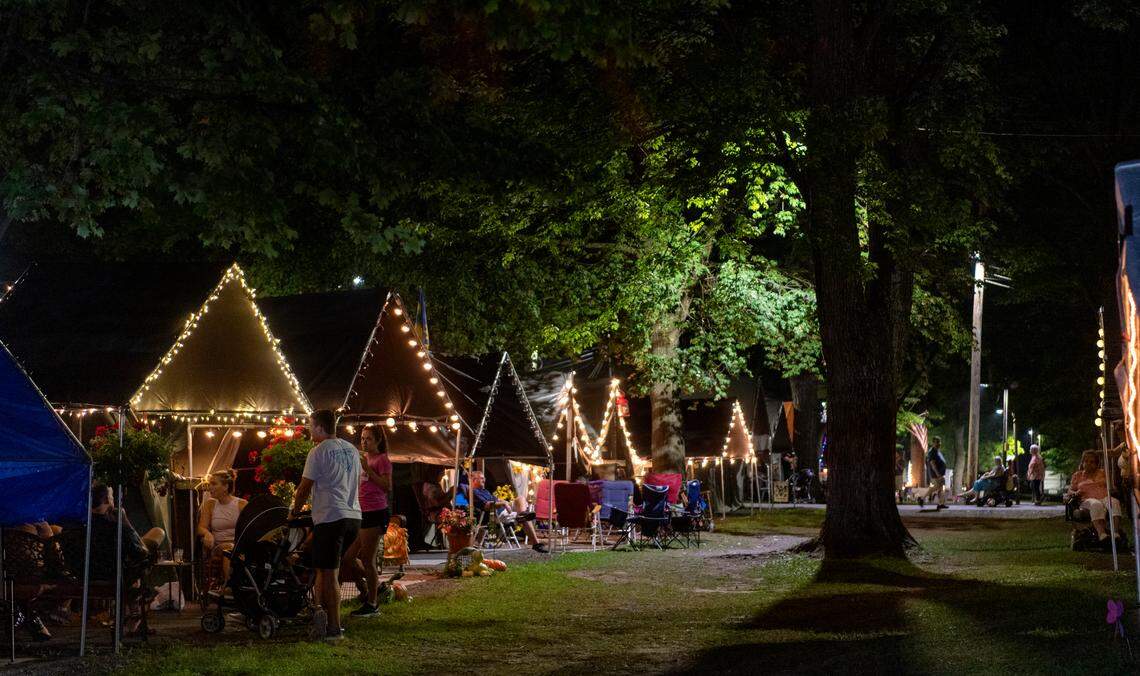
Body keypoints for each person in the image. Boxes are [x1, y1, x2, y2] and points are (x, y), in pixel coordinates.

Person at [291, 409, 361, 641]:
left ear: (320, 427)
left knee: (329, 574)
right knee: (324, 568)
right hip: (353, 516)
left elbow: (304, 487)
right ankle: (319, 617)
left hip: (331, 517)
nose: (310, 431)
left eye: (311, 426)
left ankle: (334, 628)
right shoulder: (351, 449)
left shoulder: (318, 451)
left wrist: (294, 511)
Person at [343, 425, 392, 618]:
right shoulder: (364, 459)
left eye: (368, 439)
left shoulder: (382, 460)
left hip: (375, 512)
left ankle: (372, 604)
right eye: (362, 438)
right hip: (360, 511)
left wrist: (368, 471)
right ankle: (371, 589)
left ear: (378, 441)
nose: (364, 442)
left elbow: (386, 486)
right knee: (347, 558)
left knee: (367, 559)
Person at [469, 471, 548, 553]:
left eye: (484, 478)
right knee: (524, 518)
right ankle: (536, 543)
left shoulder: (484, 491)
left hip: (504, 510)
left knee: (520, 498)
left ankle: (522, 515)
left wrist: (504, 501)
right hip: (496, 514)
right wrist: (504, 503)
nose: (484, 480)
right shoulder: (474, 492)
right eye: (481, 478)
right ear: (474, 480)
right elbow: (486, 506)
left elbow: (496, 500)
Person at [197, 470, 247, 585]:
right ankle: (229, 585)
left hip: (239, 547)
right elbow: (200, 528)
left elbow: (250, 528)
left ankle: (237, 586)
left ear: (225, 486)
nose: (210, 487)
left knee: (235, 549)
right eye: (209, 484)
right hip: (219, 547)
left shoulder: (241, 504)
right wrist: (207, 534)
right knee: (228, 548)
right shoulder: (210, 504)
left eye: (214, 484)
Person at [1065, 450, 1123, 542]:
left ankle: (1115, 533)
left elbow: (1112, 487)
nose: (1088, 464)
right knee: (1096, 504)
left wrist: (1112, 489)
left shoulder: (1103, 473)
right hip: (1087, 500)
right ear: (1082, 462)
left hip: (1104, 497)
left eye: (1092, 462)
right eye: (1086, 461)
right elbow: (1069, 491)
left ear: (1096, 463)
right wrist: (1075, 493)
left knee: (1114, 502)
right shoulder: (1078, 475)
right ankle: (1101, 534)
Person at [925, 436, 948, 509]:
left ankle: (941, 503)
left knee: (941, 489)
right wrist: (938, 473)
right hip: (936, 474)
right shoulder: (932, 452)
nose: (939, 443)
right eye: (937, 442)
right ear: (933, 443)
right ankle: (922, 496)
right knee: (937, 487)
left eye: (939, 442)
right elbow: (933, 464)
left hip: (940, 474)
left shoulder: (937, 451)